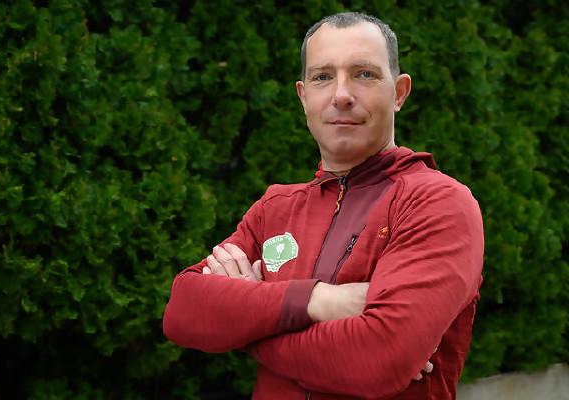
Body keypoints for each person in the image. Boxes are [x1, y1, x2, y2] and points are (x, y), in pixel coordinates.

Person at [163, 11, 483, 400]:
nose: (341, 95)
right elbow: (183, 310)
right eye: (322, 77)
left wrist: (248, 327)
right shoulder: (275, 208)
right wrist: (317, 300)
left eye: (364, 74)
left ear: (399, 92)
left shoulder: (436, 203)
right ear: (303, 96)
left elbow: (378, 360)